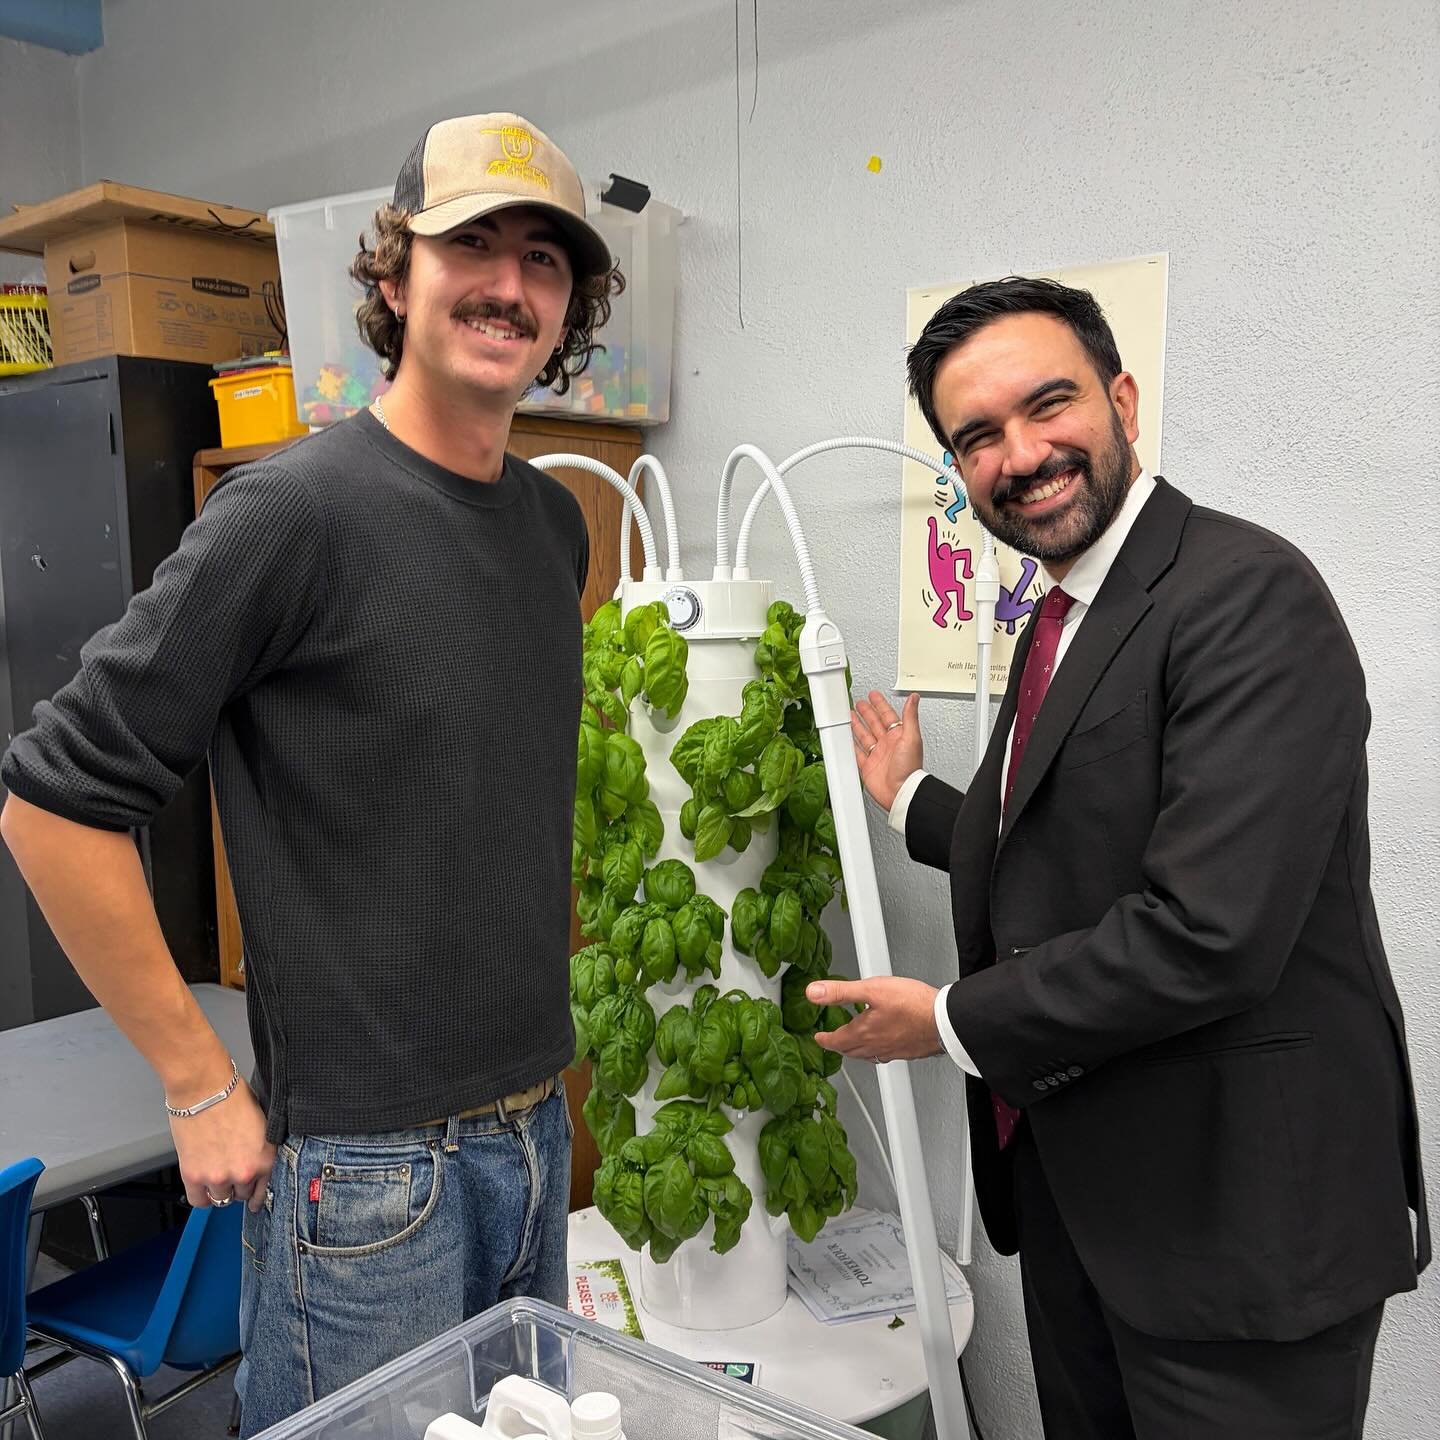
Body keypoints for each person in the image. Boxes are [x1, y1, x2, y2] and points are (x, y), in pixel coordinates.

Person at [1, 112, 623, 1433]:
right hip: (366, 1175)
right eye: (472, 246)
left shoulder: (550, 528)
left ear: (570, 307)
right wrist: (196, 1080)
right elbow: (52, 805)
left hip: (530, 1130)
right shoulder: (292, 514)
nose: (509, 286)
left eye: (545, 261)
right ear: (394, 277)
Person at [810, 277, 1429, 1439]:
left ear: (1123, 398)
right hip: (1087, 1208)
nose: (1022, 454)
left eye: (1049, 406)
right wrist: (908, 805)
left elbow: (1211, 931)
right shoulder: (1060, 614)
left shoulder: (1245, 594)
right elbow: (1062, 831)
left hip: (1237, 1232)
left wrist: (944, 1021)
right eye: (978, 436)